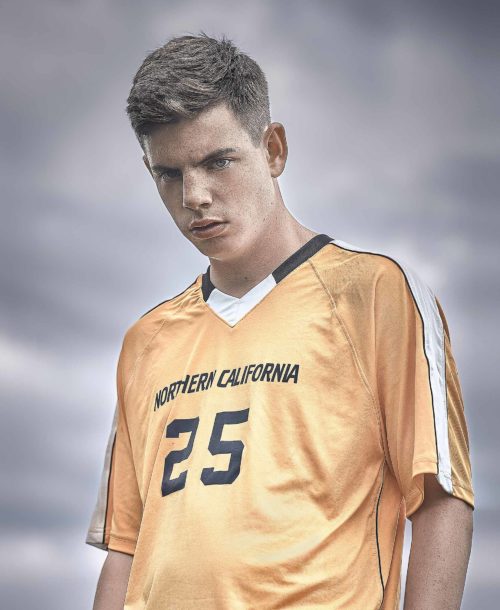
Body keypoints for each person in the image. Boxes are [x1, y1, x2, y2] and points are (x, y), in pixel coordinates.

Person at [86, 32, 474, 610]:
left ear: (273, 149)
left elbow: (442, 500)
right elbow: (125, 546)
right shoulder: (146, 341)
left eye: (217, 161)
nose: (194, 195)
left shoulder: (374, 296)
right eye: (167, 174)